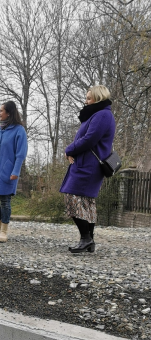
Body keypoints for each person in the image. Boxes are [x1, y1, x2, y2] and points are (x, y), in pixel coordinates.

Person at [60, 85, 116, 253]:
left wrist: (69, 149)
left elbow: (89, 139)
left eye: (89, 98)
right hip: (85, 163)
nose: (86, 101)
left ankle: (86, 238)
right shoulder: (98, 115)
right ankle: (89, 241)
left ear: (98, 98)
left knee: (72, 198)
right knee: (86, 202)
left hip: (88, 166)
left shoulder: (102, 115)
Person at [0, 101, 28, 243]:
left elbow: (21, 154)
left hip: (8, 173)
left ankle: (4, 231)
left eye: (1, 110)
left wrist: (16, 171)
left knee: (5, 201)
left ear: (8, 112)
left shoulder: (19, 130)